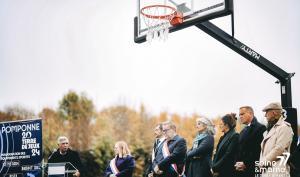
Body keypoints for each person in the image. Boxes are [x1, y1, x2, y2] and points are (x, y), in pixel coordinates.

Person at [259, 102, 293, 177]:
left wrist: (263, 163)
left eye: (267, 112)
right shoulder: (269, 130)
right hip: (268, 170)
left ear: (273, 113)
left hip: (278, 171)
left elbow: (279, 148)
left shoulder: (285, 127)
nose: (265, 115)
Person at [235, 106, 266, 177]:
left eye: (242, 114)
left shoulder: (260, 128)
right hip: (240, 170)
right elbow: (238, 149)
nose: (240, 117)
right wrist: (237, 163)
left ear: (251, 114)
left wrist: (245, 163)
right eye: (239, 115)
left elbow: (258, 150)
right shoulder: (243, 131)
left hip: (251, 170)